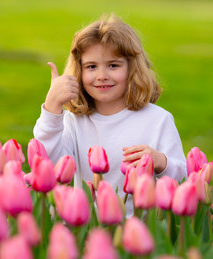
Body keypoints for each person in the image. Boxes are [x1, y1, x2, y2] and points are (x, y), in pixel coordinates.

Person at [33, 14, 187, 216]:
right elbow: (47, 165)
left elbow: (183, 180)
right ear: (78, 72)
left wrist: (161, 163)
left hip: (139, 230)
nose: (102, 75)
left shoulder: (158, 120)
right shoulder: (73, 121)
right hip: (86, 226)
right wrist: (52, 108)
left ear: (132, 68)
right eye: (91, 67)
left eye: (113, 65)